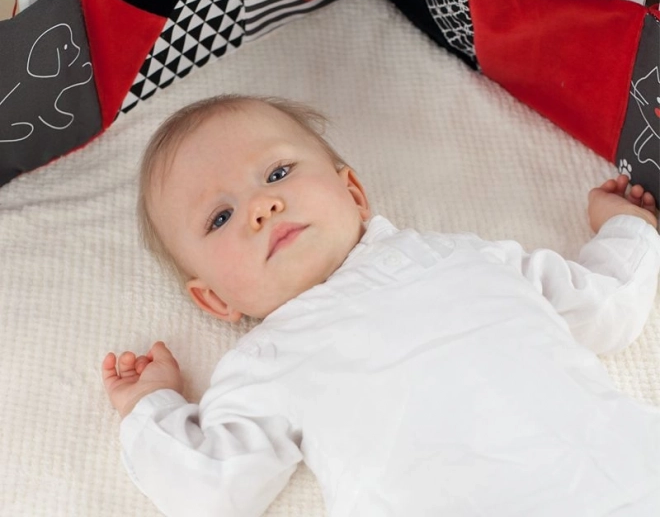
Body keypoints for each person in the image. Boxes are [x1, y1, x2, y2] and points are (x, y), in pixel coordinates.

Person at [102, 94, 660, 517]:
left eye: (277, 173)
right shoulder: (264, 361)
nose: (262, 206)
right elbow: (213, 486)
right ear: (214, 298)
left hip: (623, 476)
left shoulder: (458, 255)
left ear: (353, 193)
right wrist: (151, 406)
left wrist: (627, 230)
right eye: (220, 218)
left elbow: (602, 307)